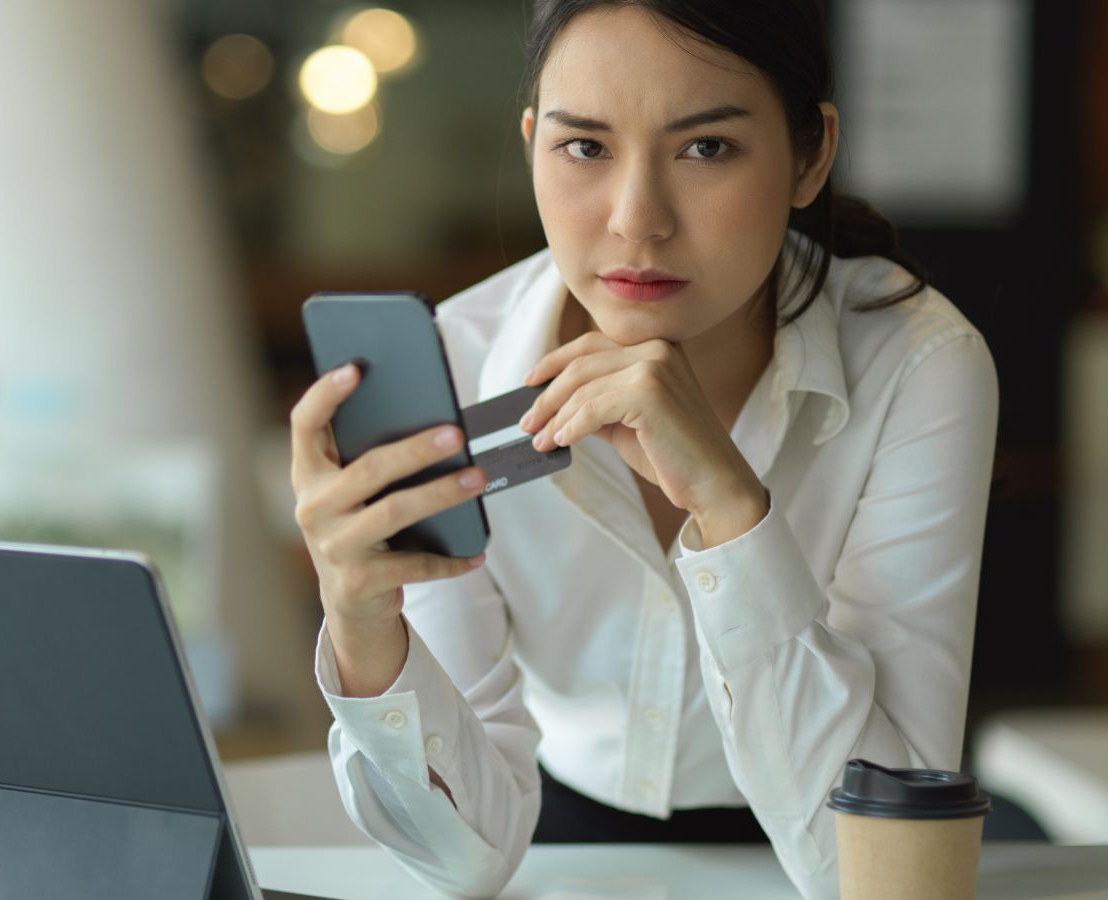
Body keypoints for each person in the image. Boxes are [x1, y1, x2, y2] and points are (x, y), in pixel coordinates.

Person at [286, 1, 1000, 898]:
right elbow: (466, 863)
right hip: (569, 848)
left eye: (706, 148)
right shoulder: (461, 366)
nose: (636, 221)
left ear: (811, 153)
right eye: (584, 147)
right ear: (531, 144)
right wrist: (359, 619)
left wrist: (734, 514)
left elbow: (881, 874)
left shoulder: (919, 363)